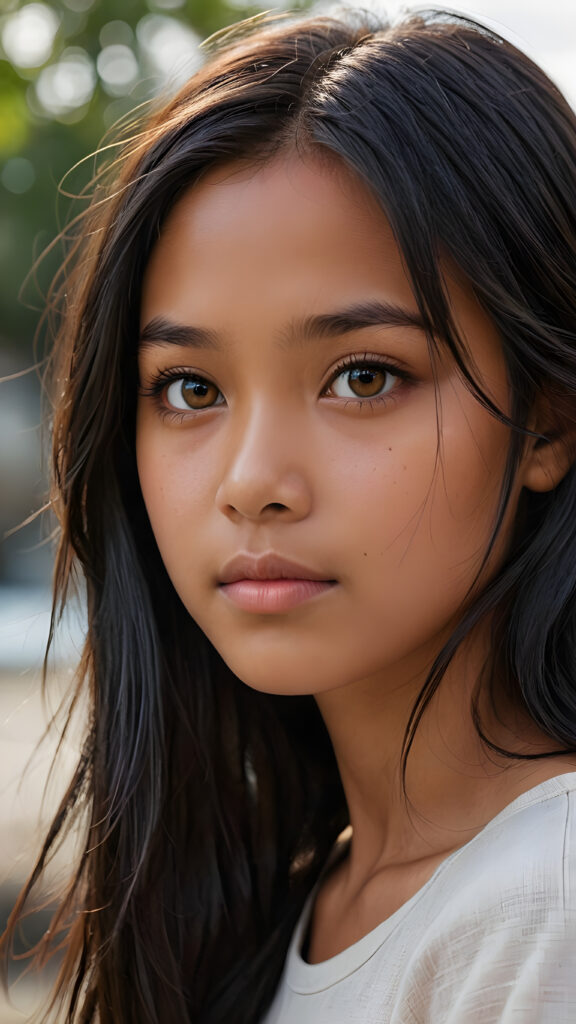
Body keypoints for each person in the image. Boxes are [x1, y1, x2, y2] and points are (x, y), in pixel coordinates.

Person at [2, 6, 576, 1022]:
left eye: (364, 376)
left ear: (547, 419)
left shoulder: (543, 911)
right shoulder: (299, 904)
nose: (253, 479)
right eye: (188, 388)